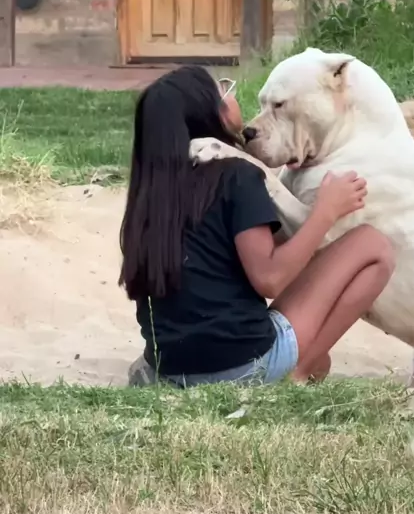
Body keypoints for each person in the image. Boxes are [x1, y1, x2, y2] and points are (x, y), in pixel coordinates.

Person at [120, 66, 395, 388]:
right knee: (373, 244)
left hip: (167, 367)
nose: (232, 94)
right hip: (241, 366)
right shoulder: (236, 176)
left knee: (323, 362)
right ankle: (297, 371)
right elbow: (271, 279)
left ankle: (307, 362)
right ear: (212, 113)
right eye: (224, 90)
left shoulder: (148, 195)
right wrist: (326, 211)